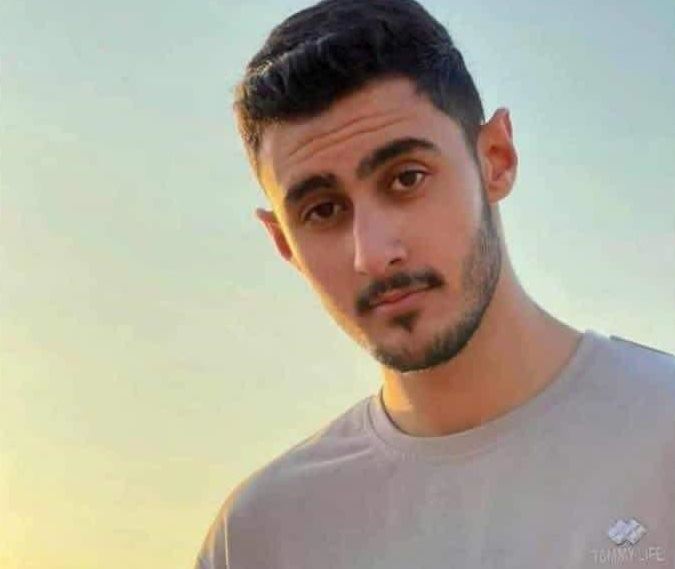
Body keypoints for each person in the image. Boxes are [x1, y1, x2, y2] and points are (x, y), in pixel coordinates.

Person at [195, 0, 675, 567]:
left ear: (496, 159)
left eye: (406, 179)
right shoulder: (260, 537)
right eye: (322, 211)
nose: (373, 254)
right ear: (284, 244)